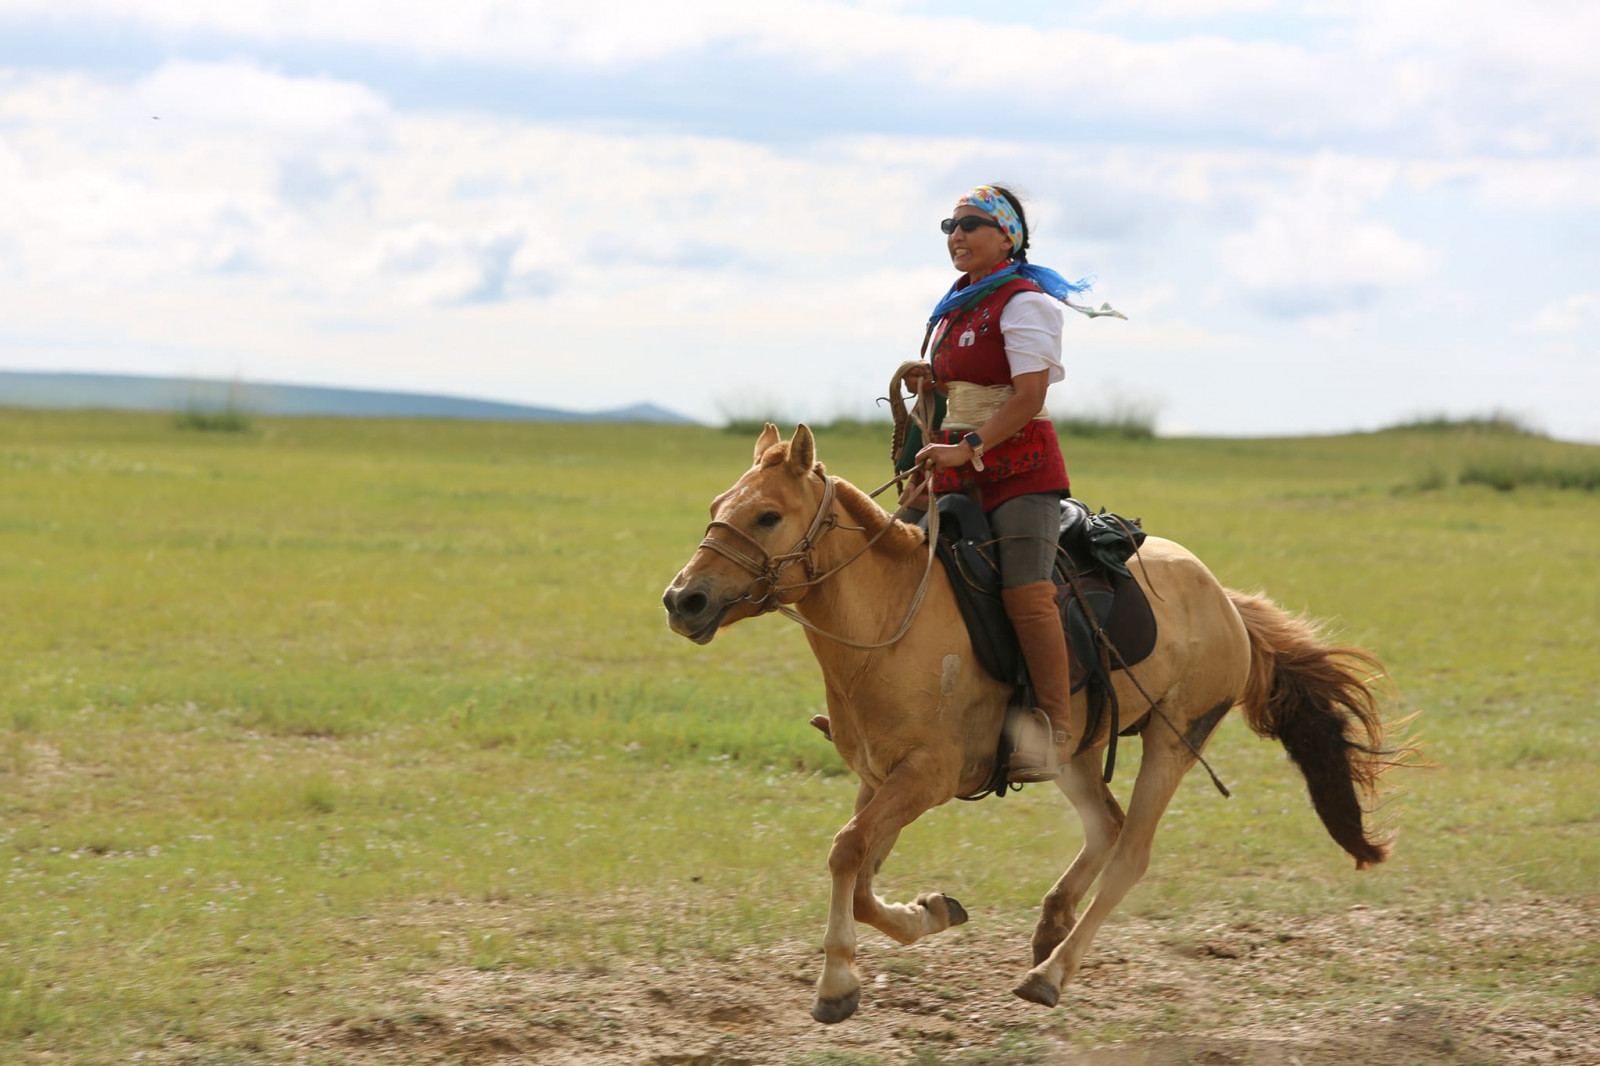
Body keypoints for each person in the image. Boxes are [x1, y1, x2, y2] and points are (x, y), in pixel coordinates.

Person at [817, 184, 1092, 783]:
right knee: (885, 558)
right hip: (954, 464)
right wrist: (931, 385)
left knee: (1027, 593)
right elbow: (966, 385)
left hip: (1020, 471)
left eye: (971, 224)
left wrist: (966, 447)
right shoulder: (957, 305)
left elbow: (1029, 398)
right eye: (950, 225)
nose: (957, 236)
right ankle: (871, 706)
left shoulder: (1026, 303)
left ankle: (1055, 727)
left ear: (1008, 237)